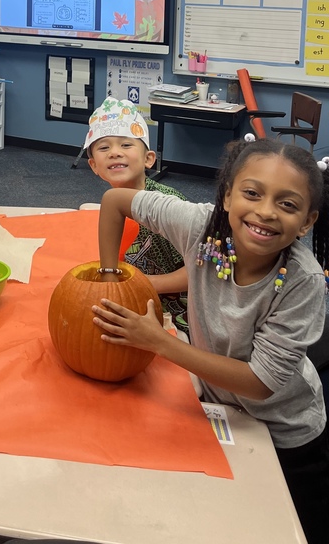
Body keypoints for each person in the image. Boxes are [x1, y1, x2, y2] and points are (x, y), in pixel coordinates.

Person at [95, 136, 329, 544]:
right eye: (252, 193)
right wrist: (112, 279)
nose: (265, 212)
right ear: (226, 197)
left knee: (288, 529)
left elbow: (260, 382)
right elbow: (114, 203)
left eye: (287, 204)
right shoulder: (198, 226)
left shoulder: (302, 281)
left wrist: (161, 343)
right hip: (219, 408)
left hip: (284, 433)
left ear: (307, 222)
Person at [85, 97, 189, 329]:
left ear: (148, 159)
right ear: (93, 166)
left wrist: (144, 283)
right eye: (104, 147)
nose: (114, 153)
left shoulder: (168, 206)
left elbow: (201, 271)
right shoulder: (110, 211)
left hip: (182, 311)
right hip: (135, 300)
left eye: (126, 145)